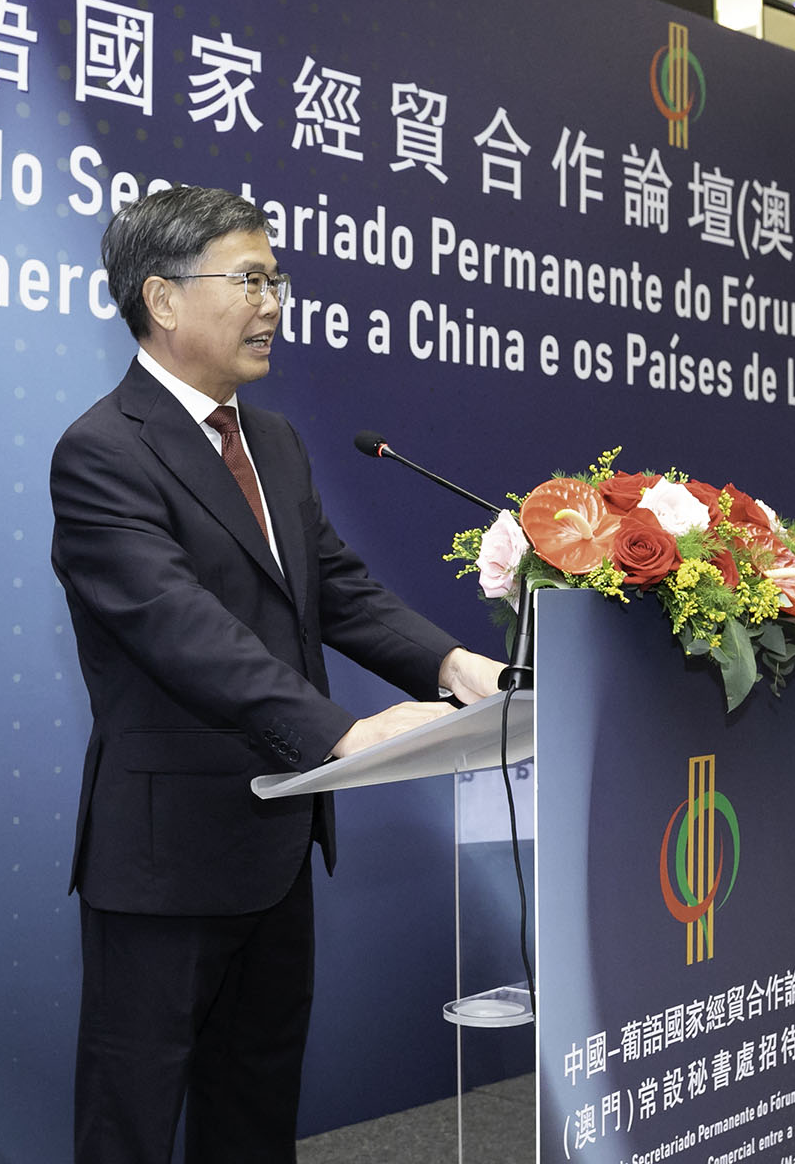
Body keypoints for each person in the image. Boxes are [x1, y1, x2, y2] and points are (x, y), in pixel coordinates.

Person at [49, 184, 504, 1163]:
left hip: (276, 842)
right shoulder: (101, 451)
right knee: (131, 1124)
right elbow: (180, 628)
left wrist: (455, 664)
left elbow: (335, 588)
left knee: (254, 1113)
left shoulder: (275, 442)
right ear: (163, 298)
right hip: (166, 856)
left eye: (276, 278)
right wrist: (341, 732)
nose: (273, 303)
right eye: (249, 279)